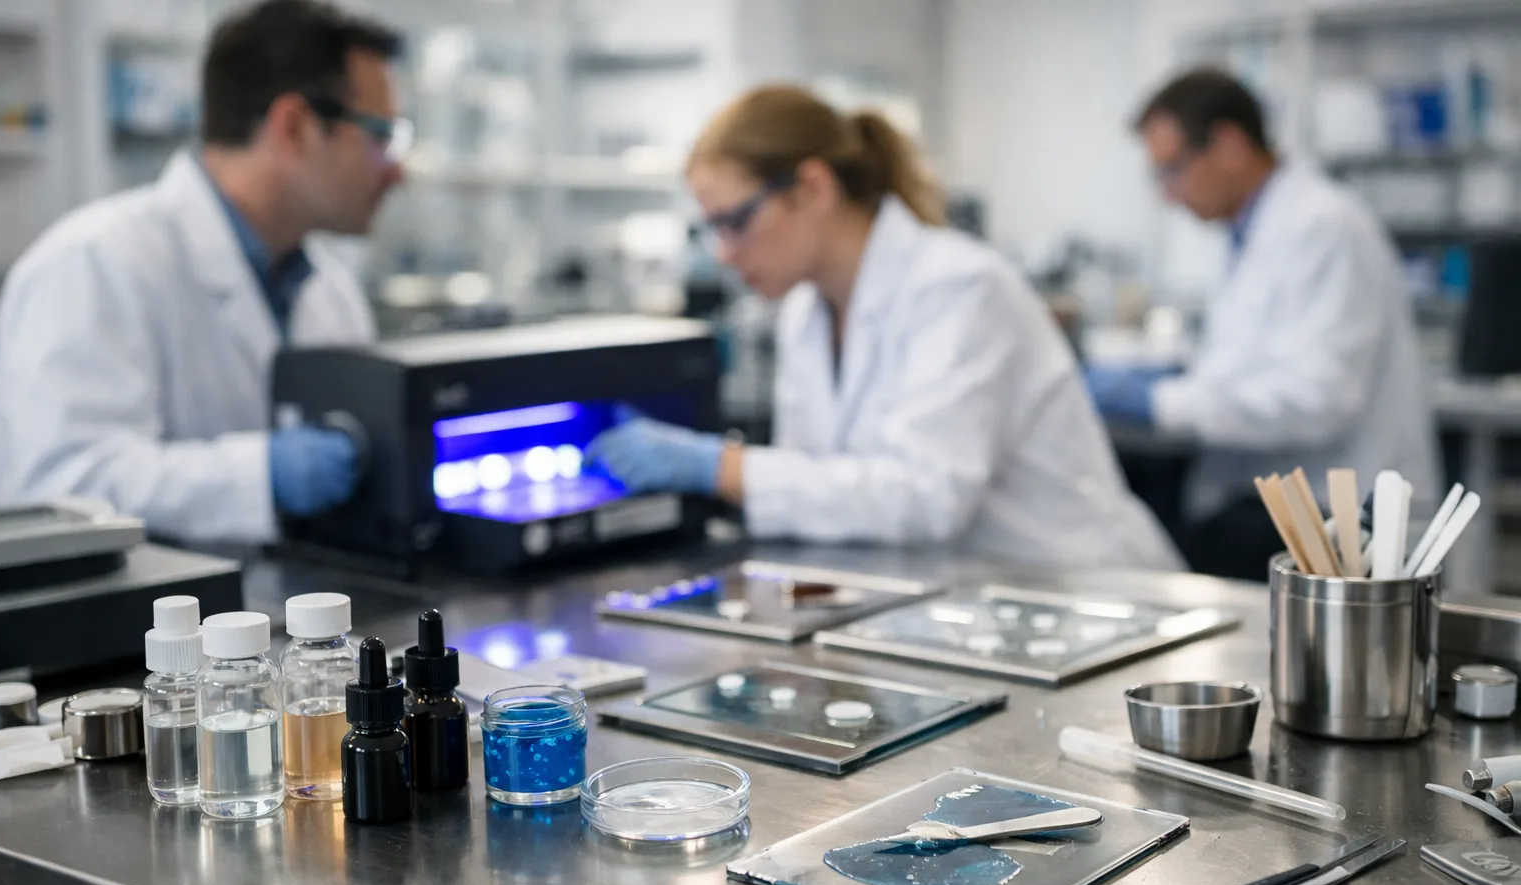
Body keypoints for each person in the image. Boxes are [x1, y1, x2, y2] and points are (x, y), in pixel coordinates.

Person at [587, 85, 1181, 571]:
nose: (722, 252)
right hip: (956, 600)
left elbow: (928, 498)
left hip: (1086, 589)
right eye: (710, 229)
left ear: (812, 187)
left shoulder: (958, 287)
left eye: (735, 221)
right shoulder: (804, 314)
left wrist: (724, 468)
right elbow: (825, 495)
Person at [0, 0, 406, 543]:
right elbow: (56, 489)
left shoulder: (329, 285)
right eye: (380, 136)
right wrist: (260, 475)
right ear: (295, 127)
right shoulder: (90, 262)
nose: (397, 170)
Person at [1087, 68, 1438, 579]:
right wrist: (1178, 375)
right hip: (1282, 505)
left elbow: (1318, 399)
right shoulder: (1254, 231)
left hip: (1339, 521)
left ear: (1229, 144)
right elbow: (1254, 361)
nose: (1167, 194)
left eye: (1173, 169)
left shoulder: (1321, 226)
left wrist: (1160, 402)